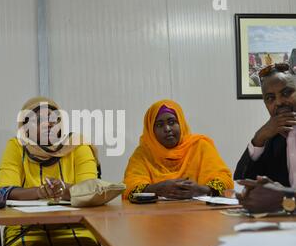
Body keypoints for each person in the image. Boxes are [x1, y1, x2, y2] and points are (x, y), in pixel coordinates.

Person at [0, 97, 105, 246]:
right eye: (39, 120)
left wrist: (64, 189)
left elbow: (91, 189)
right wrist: (39, 192)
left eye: (53, 119)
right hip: (25, 229)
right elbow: (4, 192)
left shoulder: (78, 145)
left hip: (75, 226)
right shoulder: (16, 146)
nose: (48, 124)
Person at [123, 100, 233, 200]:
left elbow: (225, 180)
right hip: (155, 216)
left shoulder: (199, 146)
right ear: (151, 131)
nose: (167, 129)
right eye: (159, 125)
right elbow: (129, 187)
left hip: (198, 214)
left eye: (172, 122)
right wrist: (157, 188)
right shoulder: (143, 153)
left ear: (181, 124)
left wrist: (201, 190)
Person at [234, 63, 296, 212]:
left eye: (286, 93)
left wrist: (286, 199)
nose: (279, 102)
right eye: (270, 98)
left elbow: (280, 198)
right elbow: (241, 182)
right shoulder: (274, 139)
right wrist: (259, 138)